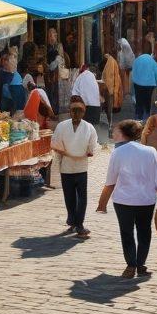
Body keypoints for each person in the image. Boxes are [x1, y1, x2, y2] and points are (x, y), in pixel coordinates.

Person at [96, 120, 157, 279]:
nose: (113, 134)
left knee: (126, 233)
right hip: (146, 201)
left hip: (123, 201)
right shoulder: (151, 151)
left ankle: (131, 265)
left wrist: (102, 204)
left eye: (115, 132)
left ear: (123, 134)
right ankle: (140, 263)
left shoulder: (118, 153)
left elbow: (110, 182)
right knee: (145, 232)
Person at [51, 101, 98, 239]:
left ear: (84, 113)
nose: (76, 114)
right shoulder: (62, 126)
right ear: (70, 112)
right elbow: (55, 143)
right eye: (74, 111)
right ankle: (72, 220)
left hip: (81, 167)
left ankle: (79, 224)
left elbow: (92, 147)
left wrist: (85, 152)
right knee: (69, 196)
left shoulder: (89, 128)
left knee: (82, 197)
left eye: (79, 111)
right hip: (66, 167)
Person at [131, 47, 157, 124]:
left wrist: (134, 81)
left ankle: (138, 116)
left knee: (139, 99)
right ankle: (147, 116)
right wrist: (156, 83)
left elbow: (133, 71)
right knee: (147, 100)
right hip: (150, 84)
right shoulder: (152, 61)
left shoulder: (137, 60)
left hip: (138, 83)